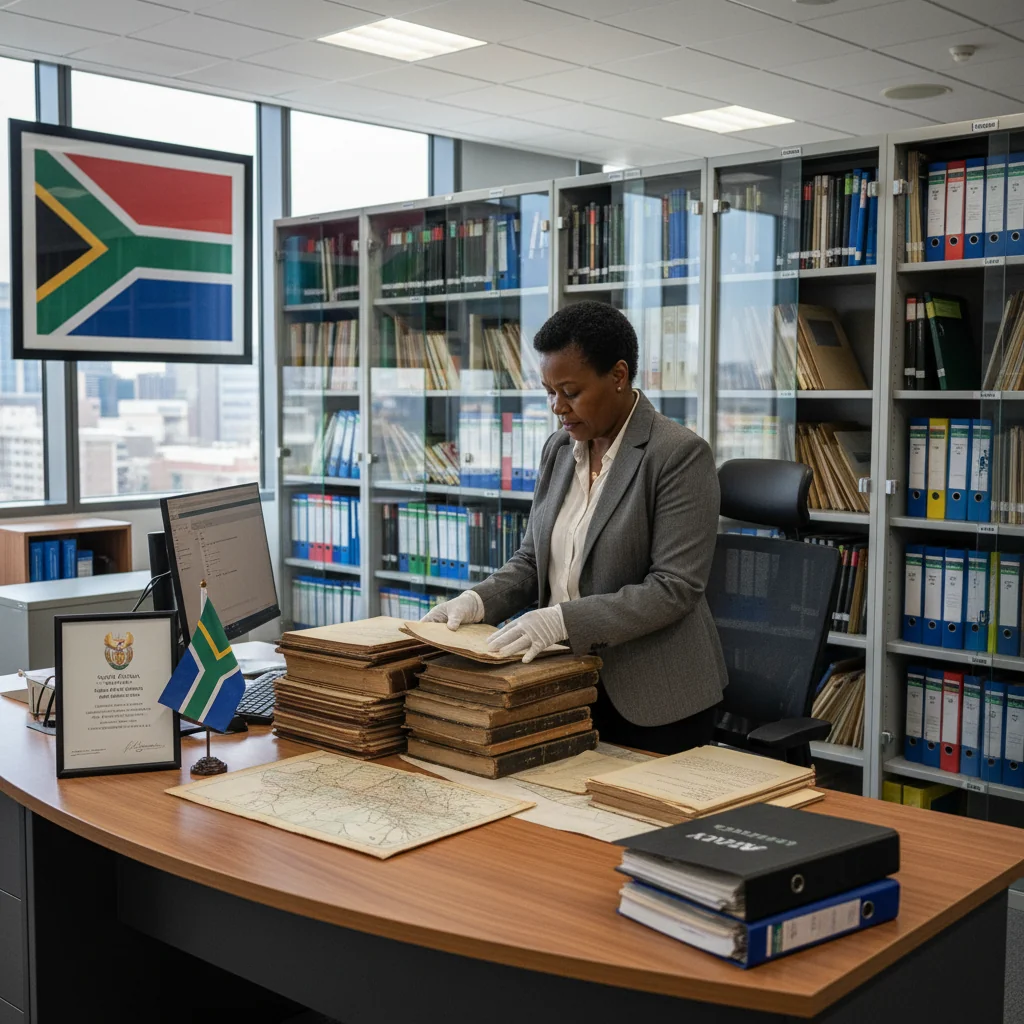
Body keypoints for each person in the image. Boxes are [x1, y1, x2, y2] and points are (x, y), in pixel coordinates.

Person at [422, 300, 726, 753]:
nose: (556, 407)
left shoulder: (678, 455)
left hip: (654, 700)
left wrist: (563, 620)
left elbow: (674, 588)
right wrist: (476, 601)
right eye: (548, 391)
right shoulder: (559, 450)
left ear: (618, 376)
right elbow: (531, 561)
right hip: (562, 683)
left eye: (570, 391)